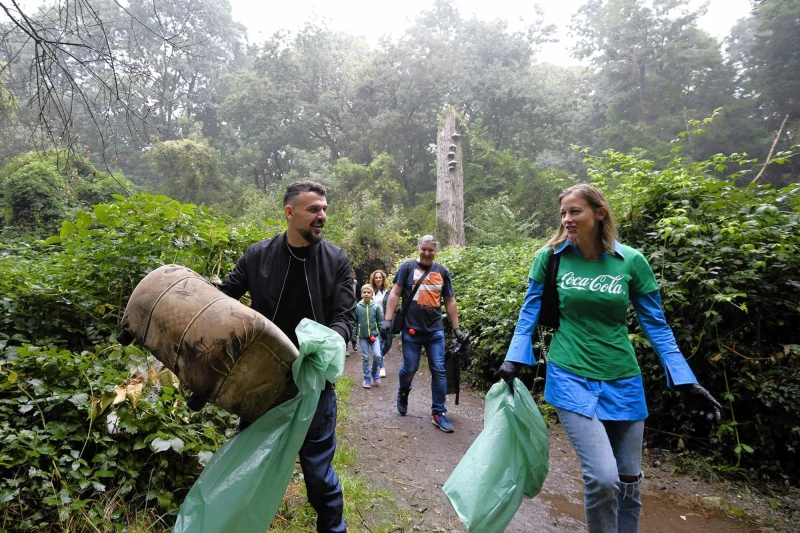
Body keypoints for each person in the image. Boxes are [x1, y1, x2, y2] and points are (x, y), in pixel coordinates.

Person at [496, 184, 722, 533]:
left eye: (575, 212)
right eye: (563, 213)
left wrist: (685, 378)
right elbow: (530, 311)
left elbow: (657, 325)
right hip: (570, 373)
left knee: (629, 479)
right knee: (603, 477)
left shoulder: (630, 261)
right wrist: (515, 358)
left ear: (599, 213)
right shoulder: (552, 257)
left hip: (623, 378)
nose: (567, 219)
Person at [218, 180, 355, 533]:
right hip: (262, 380)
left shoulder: (336, 259)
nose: (321, 216)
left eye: (324, 209)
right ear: (290, 212)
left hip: (314, 381)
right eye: (313, 209)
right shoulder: (257, 256)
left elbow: (344, 317)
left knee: (318, 474)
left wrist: (325, 345)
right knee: (246, 462)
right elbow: (224, 300)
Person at [381, 235, 466, 433]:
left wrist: (456, 328)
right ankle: (403, 391)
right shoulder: (407, 268)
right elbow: (394, 293)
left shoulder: (443, 272)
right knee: (410, 367)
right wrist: (387, 319)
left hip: (435, 330)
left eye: (431, 250)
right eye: (424, 249)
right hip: (411, 329)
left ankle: (438, 413)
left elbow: (450, 300)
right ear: (418, 249)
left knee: (439, 369)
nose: (427, 253)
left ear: (436, 251)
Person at [354, 284, 384, 388]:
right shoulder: (358, 307)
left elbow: (380, 322)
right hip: (363, 337)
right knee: (365, 357)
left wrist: (382, 334)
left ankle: (374, 372)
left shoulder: (375, 307)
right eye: (364, 292)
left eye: (369, 292)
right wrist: (354, 334)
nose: (366, 294)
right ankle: (366, 378)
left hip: (374, 336)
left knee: (377, 356)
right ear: (361, 294)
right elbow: (354, 322)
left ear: (372, 294)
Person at [369, 269, 390, 377]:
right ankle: (382, 368)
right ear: (373, 279)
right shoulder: (370, 291)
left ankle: (379, 355)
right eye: (376, 277)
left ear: (383, 279)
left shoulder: (387, 291)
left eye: (380, 277)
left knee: (388, 344)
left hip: (387, 320)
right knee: (380, 342)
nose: (378, 279)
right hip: (376, 321)